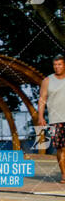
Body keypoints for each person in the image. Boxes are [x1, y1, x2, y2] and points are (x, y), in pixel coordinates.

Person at [38, 54, 65, 183]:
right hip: (55, 120)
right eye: (55, 65)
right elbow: (42, 99)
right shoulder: (47, 81)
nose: (57, 67)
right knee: (60, 148)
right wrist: (40, 116)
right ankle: (64, 175)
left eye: (59, 64)